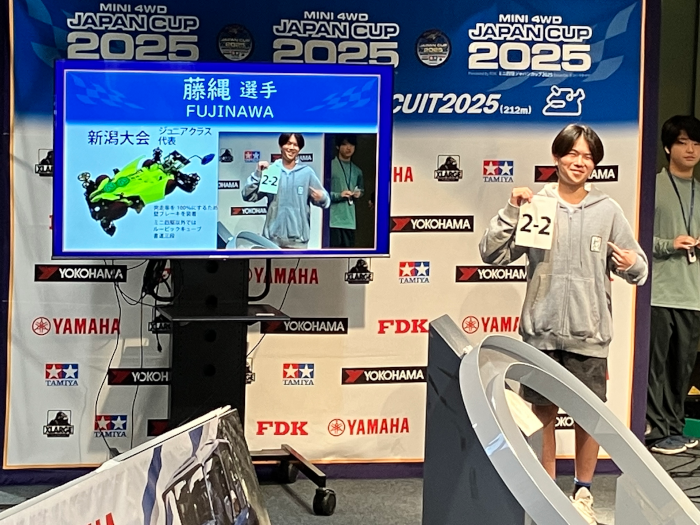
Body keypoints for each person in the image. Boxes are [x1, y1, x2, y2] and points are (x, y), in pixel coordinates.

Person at [479, 124, 648, 524]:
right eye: (572, 153)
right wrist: (511, 210)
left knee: (589, 417)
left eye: (588, 156)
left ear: (595, 164)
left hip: (589, 335)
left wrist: (631, 263)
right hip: (541, 335)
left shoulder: (608, 210)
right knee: (542, 416)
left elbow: (639, 268)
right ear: (557, 157)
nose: (579, 162)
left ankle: (583, 493)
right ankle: (546, 493)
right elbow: (491, 254)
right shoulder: (536, 204)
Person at [645, 115, 700, 455]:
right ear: (668, 147)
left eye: (695, 143)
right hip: (659, 292)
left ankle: (676, 428)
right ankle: (656, 431)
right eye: (682, 142)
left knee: (683, 368)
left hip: (692, 294)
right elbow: (637, 240)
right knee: (656, 367)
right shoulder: (652, 187)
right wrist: (670, 244)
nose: (690, 149)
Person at [242, 133, 329, 248]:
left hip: (298, 243)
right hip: (271, 241)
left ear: (299, 149)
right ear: (281, 146)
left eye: (295, 145)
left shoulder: (307, 173)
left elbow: (326, 201)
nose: (292, 148)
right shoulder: (271, 171)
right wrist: (257, 174)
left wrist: (322, 197)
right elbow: (248, 196)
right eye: (288, 143)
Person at [329, 134, 364, 247]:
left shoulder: (357, 171)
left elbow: (361, 190)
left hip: (350, 221)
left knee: (348, 254)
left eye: (351, 144)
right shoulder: (329, 166)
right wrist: (339, 195)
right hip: (333, 221)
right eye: (344, 144)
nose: (348, 148)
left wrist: (358, 194)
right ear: (337, 146)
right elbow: (322, 194)